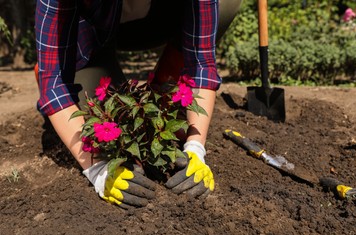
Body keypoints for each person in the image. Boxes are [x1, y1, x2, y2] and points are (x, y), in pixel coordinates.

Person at [35, 0, 242, 209]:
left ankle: (166, 83)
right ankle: (64, 59)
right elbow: (54, 84)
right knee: (105, 125)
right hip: (92, 37)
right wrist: (97, 169)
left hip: (153, 23)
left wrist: (196, 148)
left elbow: (202, 66)